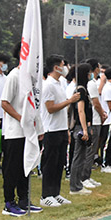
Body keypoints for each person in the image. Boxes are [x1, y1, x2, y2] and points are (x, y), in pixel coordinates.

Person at [1, 43, 43, 215]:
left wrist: (38, 129)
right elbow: (5, 102)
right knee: (12, 169)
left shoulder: (32, 78)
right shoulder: (14, 76)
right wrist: (21, 119)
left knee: (25, 167)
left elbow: (35, 106)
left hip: (28, 133)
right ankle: (9, 203)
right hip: (14, 133)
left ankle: (24, 199)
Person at [40, 55, 79, 207]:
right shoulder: (48, 85)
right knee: (50, 164)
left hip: (62, 129)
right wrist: (70, 101)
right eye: (63, 65)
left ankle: (55, 193)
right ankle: (46, 195)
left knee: (59, 163)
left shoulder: (60, 83)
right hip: (51, 129)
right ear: (56, 67)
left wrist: (67, 131)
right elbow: (50, 108)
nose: (65, 68)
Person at [82, 59, 107, 189]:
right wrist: (102, 113)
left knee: (92, 149)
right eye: (99, 66)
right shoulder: (91, 84)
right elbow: (95, 102)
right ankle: (84, 177)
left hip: (96, 119)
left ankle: (88, 176)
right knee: (90, 150)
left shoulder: (93, 83)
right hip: (95, 119)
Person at [70, 63, 94, 195]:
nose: (90, 75)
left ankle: (78, 183)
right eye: (89, 73)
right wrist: (85, 129)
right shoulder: (81, 90)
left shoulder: (83, 89)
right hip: (80, 126)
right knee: (78, 157)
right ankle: (75, 186)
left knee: (82, 156)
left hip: (84, 125)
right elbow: (81, 111)